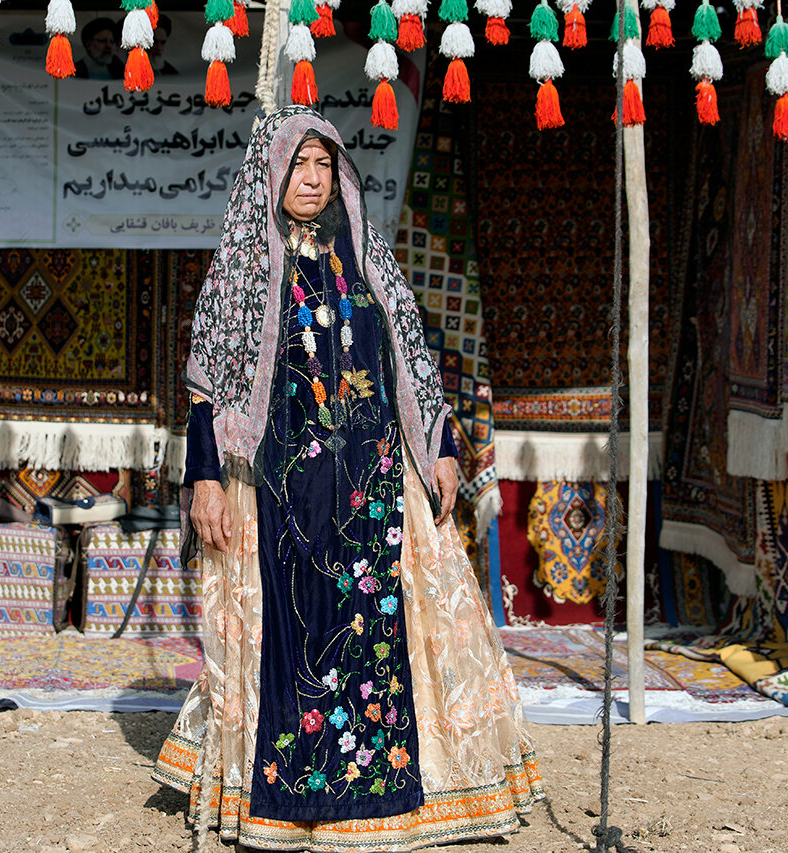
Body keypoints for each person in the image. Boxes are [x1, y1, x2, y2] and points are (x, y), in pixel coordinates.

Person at [152, 106, 544, 850]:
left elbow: (412, 357)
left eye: (323, 164)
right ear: (271, 173)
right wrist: (204, 478)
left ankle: (401, 793)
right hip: (274, 491)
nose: (311, 178)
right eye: (298, 163)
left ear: (339, 177)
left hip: (375, 492)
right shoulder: (244, 264)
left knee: (382, 632)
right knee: (288, 637)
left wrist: (440, 445)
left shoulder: (364, 254)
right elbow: (206, 385)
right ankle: (283, 799)